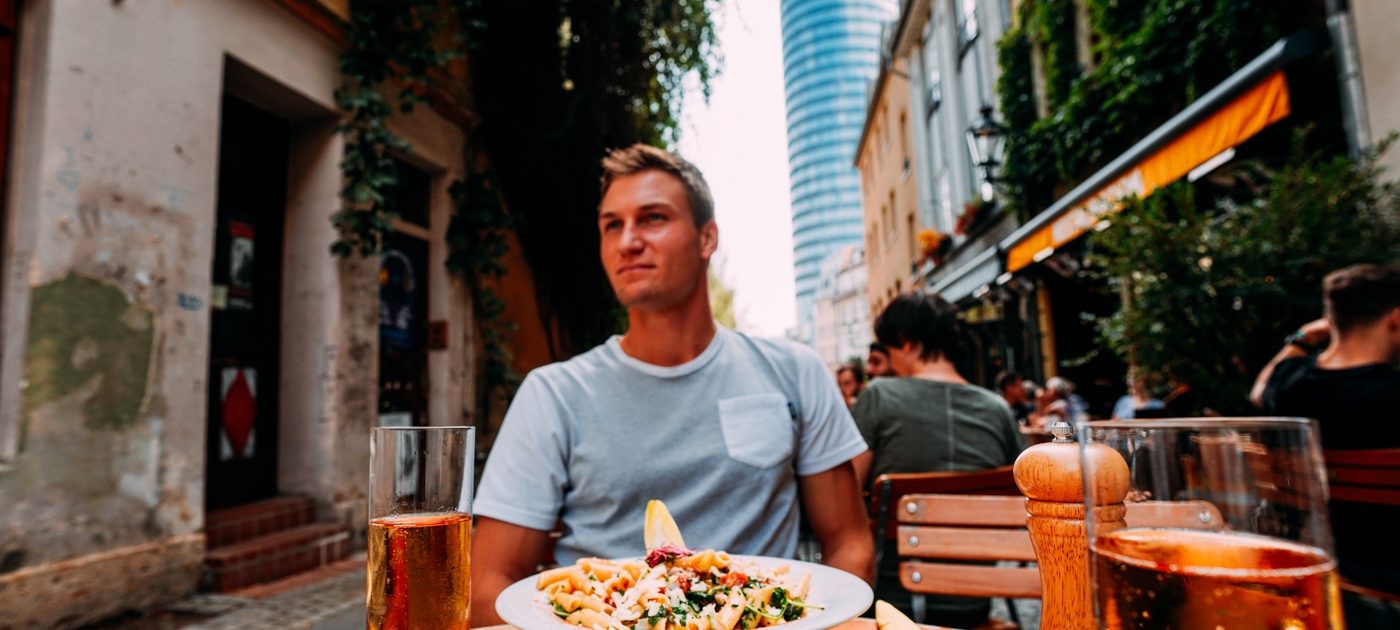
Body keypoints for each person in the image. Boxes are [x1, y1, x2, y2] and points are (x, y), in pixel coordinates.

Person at [470, 145, 875, 625]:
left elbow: (851, 545)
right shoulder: (553, 393)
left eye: (653, 218)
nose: (628, 240)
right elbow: (486, 584)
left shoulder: (795, 371)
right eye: (612, 225)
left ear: (708, 238)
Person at [850, 292, 1027, 628]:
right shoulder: (997, 409)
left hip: (892, 601)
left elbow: (846, 493)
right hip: (972, 600)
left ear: (904, 342)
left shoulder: (878, 396)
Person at [1251, 264, 1400, 608]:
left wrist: (1303, 337)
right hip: (1386, 580)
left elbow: (1259, 389)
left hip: (1313, 566)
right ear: (1395, 318)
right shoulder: (1391, 395)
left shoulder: (1288, 384)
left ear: (1330, 320)